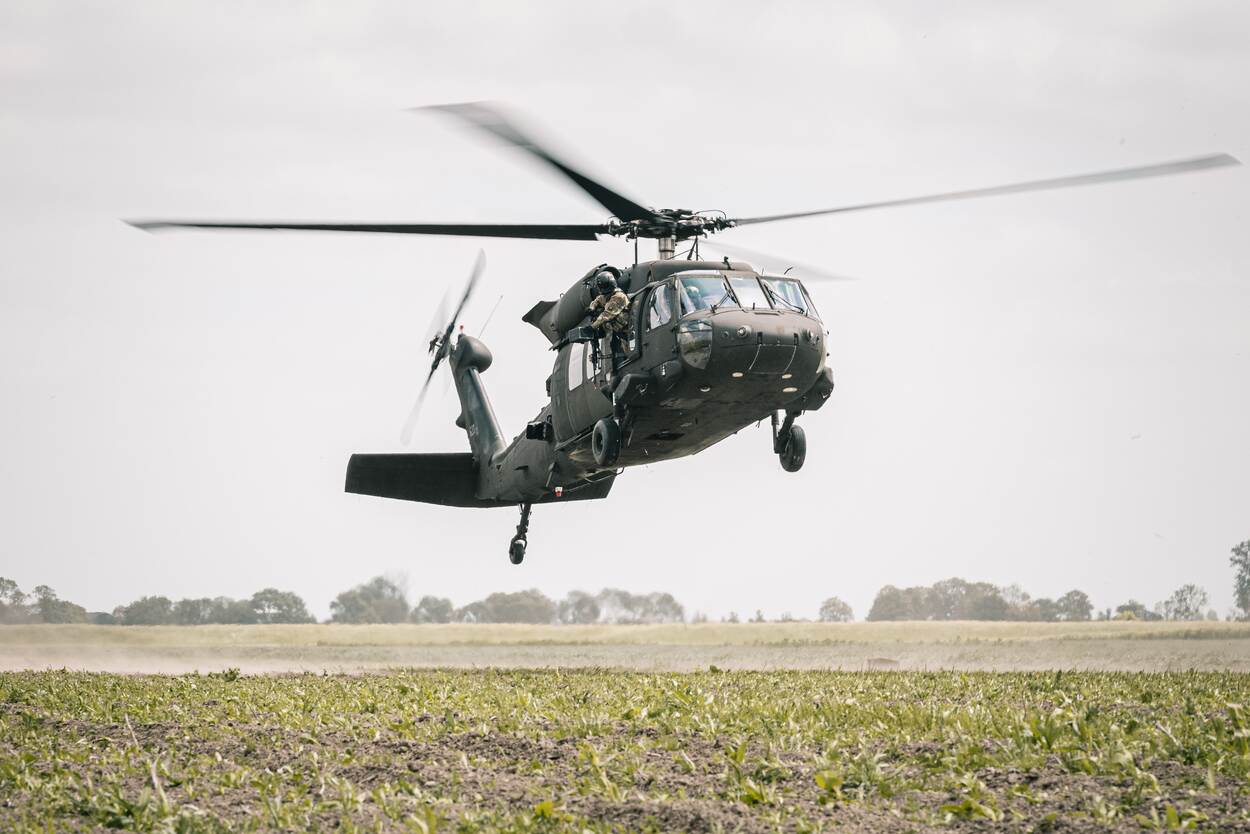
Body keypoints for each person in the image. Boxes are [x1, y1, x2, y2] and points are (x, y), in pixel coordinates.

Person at [586, 270, 630, 371]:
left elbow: (606, 315)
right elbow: (597, 300)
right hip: (619, 332)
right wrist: (592, 308)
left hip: (627, 330)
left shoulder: (618, 297)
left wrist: (592, 327)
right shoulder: (607, 296)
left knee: (628, 354)